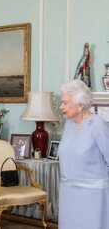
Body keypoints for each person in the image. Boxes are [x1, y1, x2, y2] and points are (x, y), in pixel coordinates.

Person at [58, 79, 109, 229]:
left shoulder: (98, 125)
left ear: (80, 105)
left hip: (93, 196)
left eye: (65, 103)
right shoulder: (68, 124)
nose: (61, 107)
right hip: (68, 192)